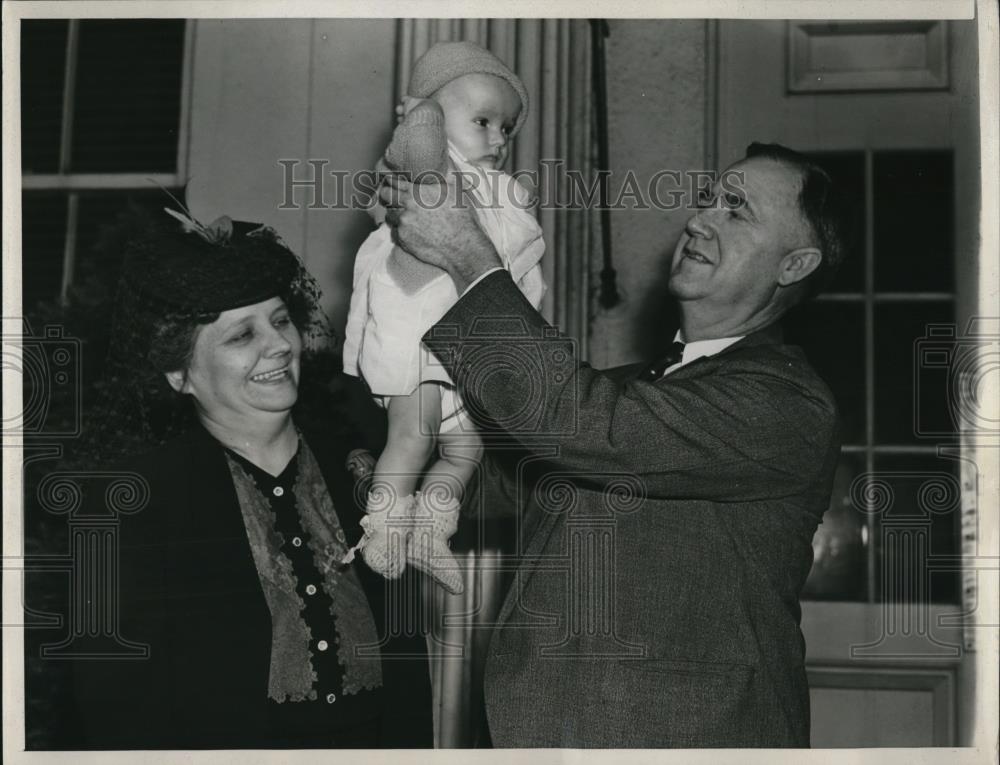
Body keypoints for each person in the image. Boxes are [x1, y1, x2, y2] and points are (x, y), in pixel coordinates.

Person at [379, 142, 848, 747]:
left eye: (737, 209)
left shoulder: (787, 404)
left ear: (794, 265)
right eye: (708, 199)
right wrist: (389, 416)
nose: (699, 218)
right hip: (553, 730)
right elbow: (498, 482)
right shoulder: (635, 389)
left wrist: (471, 255)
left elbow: (573, 420)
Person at [50, 211, 433, 749]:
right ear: (179, 373)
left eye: (281, 321)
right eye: (241, 335)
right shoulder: (125, 506)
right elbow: (118, 711)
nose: (279, 345)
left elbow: (408, 671)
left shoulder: (366, 476)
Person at [342, 41, 545, 595]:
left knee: (467, 449)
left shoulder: (502, 191)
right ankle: (382, 529)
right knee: (413, 434)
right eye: (482, 120)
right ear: (427, 113)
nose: (499, 138)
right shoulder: (425, 165)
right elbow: (417, 151)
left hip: (472, 341)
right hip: (418, 328)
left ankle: (431, 528)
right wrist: (421, 115)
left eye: (507, 127)